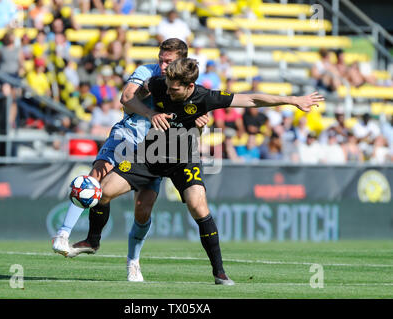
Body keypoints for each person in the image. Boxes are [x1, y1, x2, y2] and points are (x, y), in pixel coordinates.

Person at [95, 58, 323, 285]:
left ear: (190, 86)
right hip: (149, 154)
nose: (169, 91)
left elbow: (251, 98)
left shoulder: (206, 97)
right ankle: (92, 240)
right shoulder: (158, 83)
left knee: (198, 204)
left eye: (174, 89)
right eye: (167, 86)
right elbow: (130, 98)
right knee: (104, 191)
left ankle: (219, 272)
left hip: (183, 159)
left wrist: (292, 100)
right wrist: (149, 112)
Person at [52, 39, 209, 282]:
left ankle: (133, 262)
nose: (163, 64)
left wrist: (199, 121)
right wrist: (150, 108)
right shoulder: (147, 72)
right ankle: (64, 234)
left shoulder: (185, 85)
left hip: (152, 151)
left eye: (168, 61)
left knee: (142, 210)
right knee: (95, 178)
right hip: (126, 136)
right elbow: (126, 97)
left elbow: (194, 113)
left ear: (181, 61)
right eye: (161, 59)